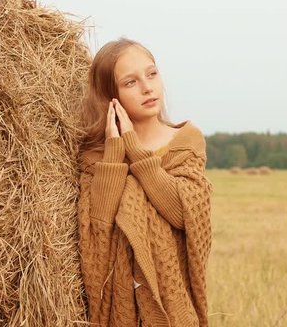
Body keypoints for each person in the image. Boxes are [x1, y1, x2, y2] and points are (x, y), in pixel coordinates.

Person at [77, 37, 213, 326]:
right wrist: (114, 154)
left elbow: (183, 213)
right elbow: (97, 227)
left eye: (152, 74)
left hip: (173, 308)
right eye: (130, 82)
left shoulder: (185, 142)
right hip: (119, 309)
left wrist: (136, 154)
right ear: (109, 96)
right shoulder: (95, 157)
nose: (147, 87)